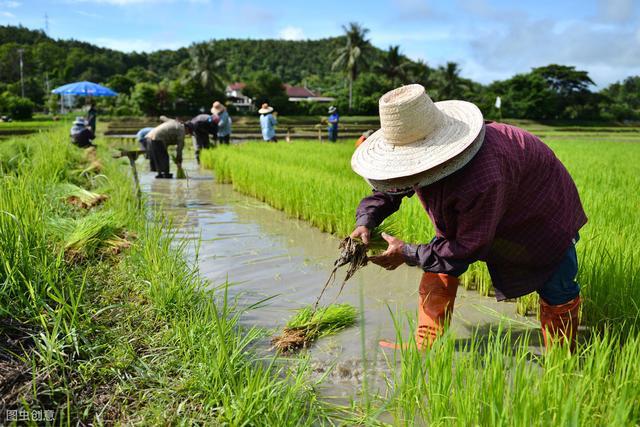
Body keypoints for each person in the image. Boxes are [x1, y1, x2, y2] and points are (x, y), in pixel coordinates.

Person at [350, 84, 586, 352]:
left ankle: (562, 360)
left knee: (556, 282)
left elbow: (468, 246)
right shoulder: (425, 152)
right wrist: (366, 219)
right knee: (439, 261)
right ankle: (426, 343)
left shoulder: (482, 177)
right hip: (493, 199)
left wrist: (407, 252)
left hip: (541, 215)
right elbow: (393, 187)